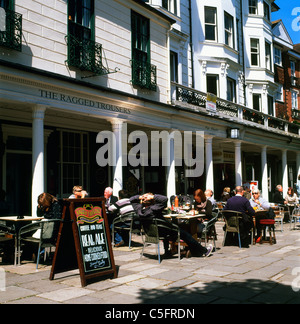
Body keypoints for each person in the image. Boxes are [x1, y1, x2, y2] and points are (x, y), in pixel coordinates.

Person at [130, 193, 213, 258]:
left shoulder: (138, 209)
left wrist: (140, 196)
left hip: (152, 233)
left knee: (180, 231)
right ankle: (203, 251)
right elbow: (164, 199)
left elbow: (131, 199)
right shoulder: (154, 208)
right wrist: (152, 196)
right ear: (153, 202)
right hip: (165, 230)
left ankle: (172, 251)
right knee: (185, 234)